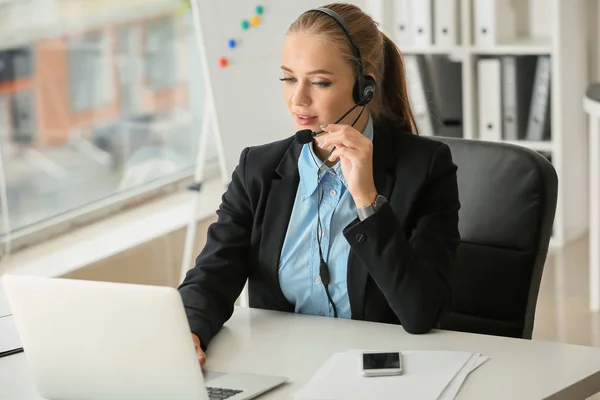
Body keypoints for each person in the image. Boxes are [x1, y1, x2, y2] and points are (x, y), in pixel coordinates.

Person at [178, 3, 460, 366]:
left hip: (380, 376)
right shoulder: (258, 170)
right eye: (289, 78)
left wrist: (367, 201)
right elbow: (212, 275)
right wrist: (189, 331)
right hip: (285, 371)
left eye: (320, 82)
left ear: (365, 87)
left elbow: (421, 312)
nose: (299, 99)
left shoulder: (425, 168)